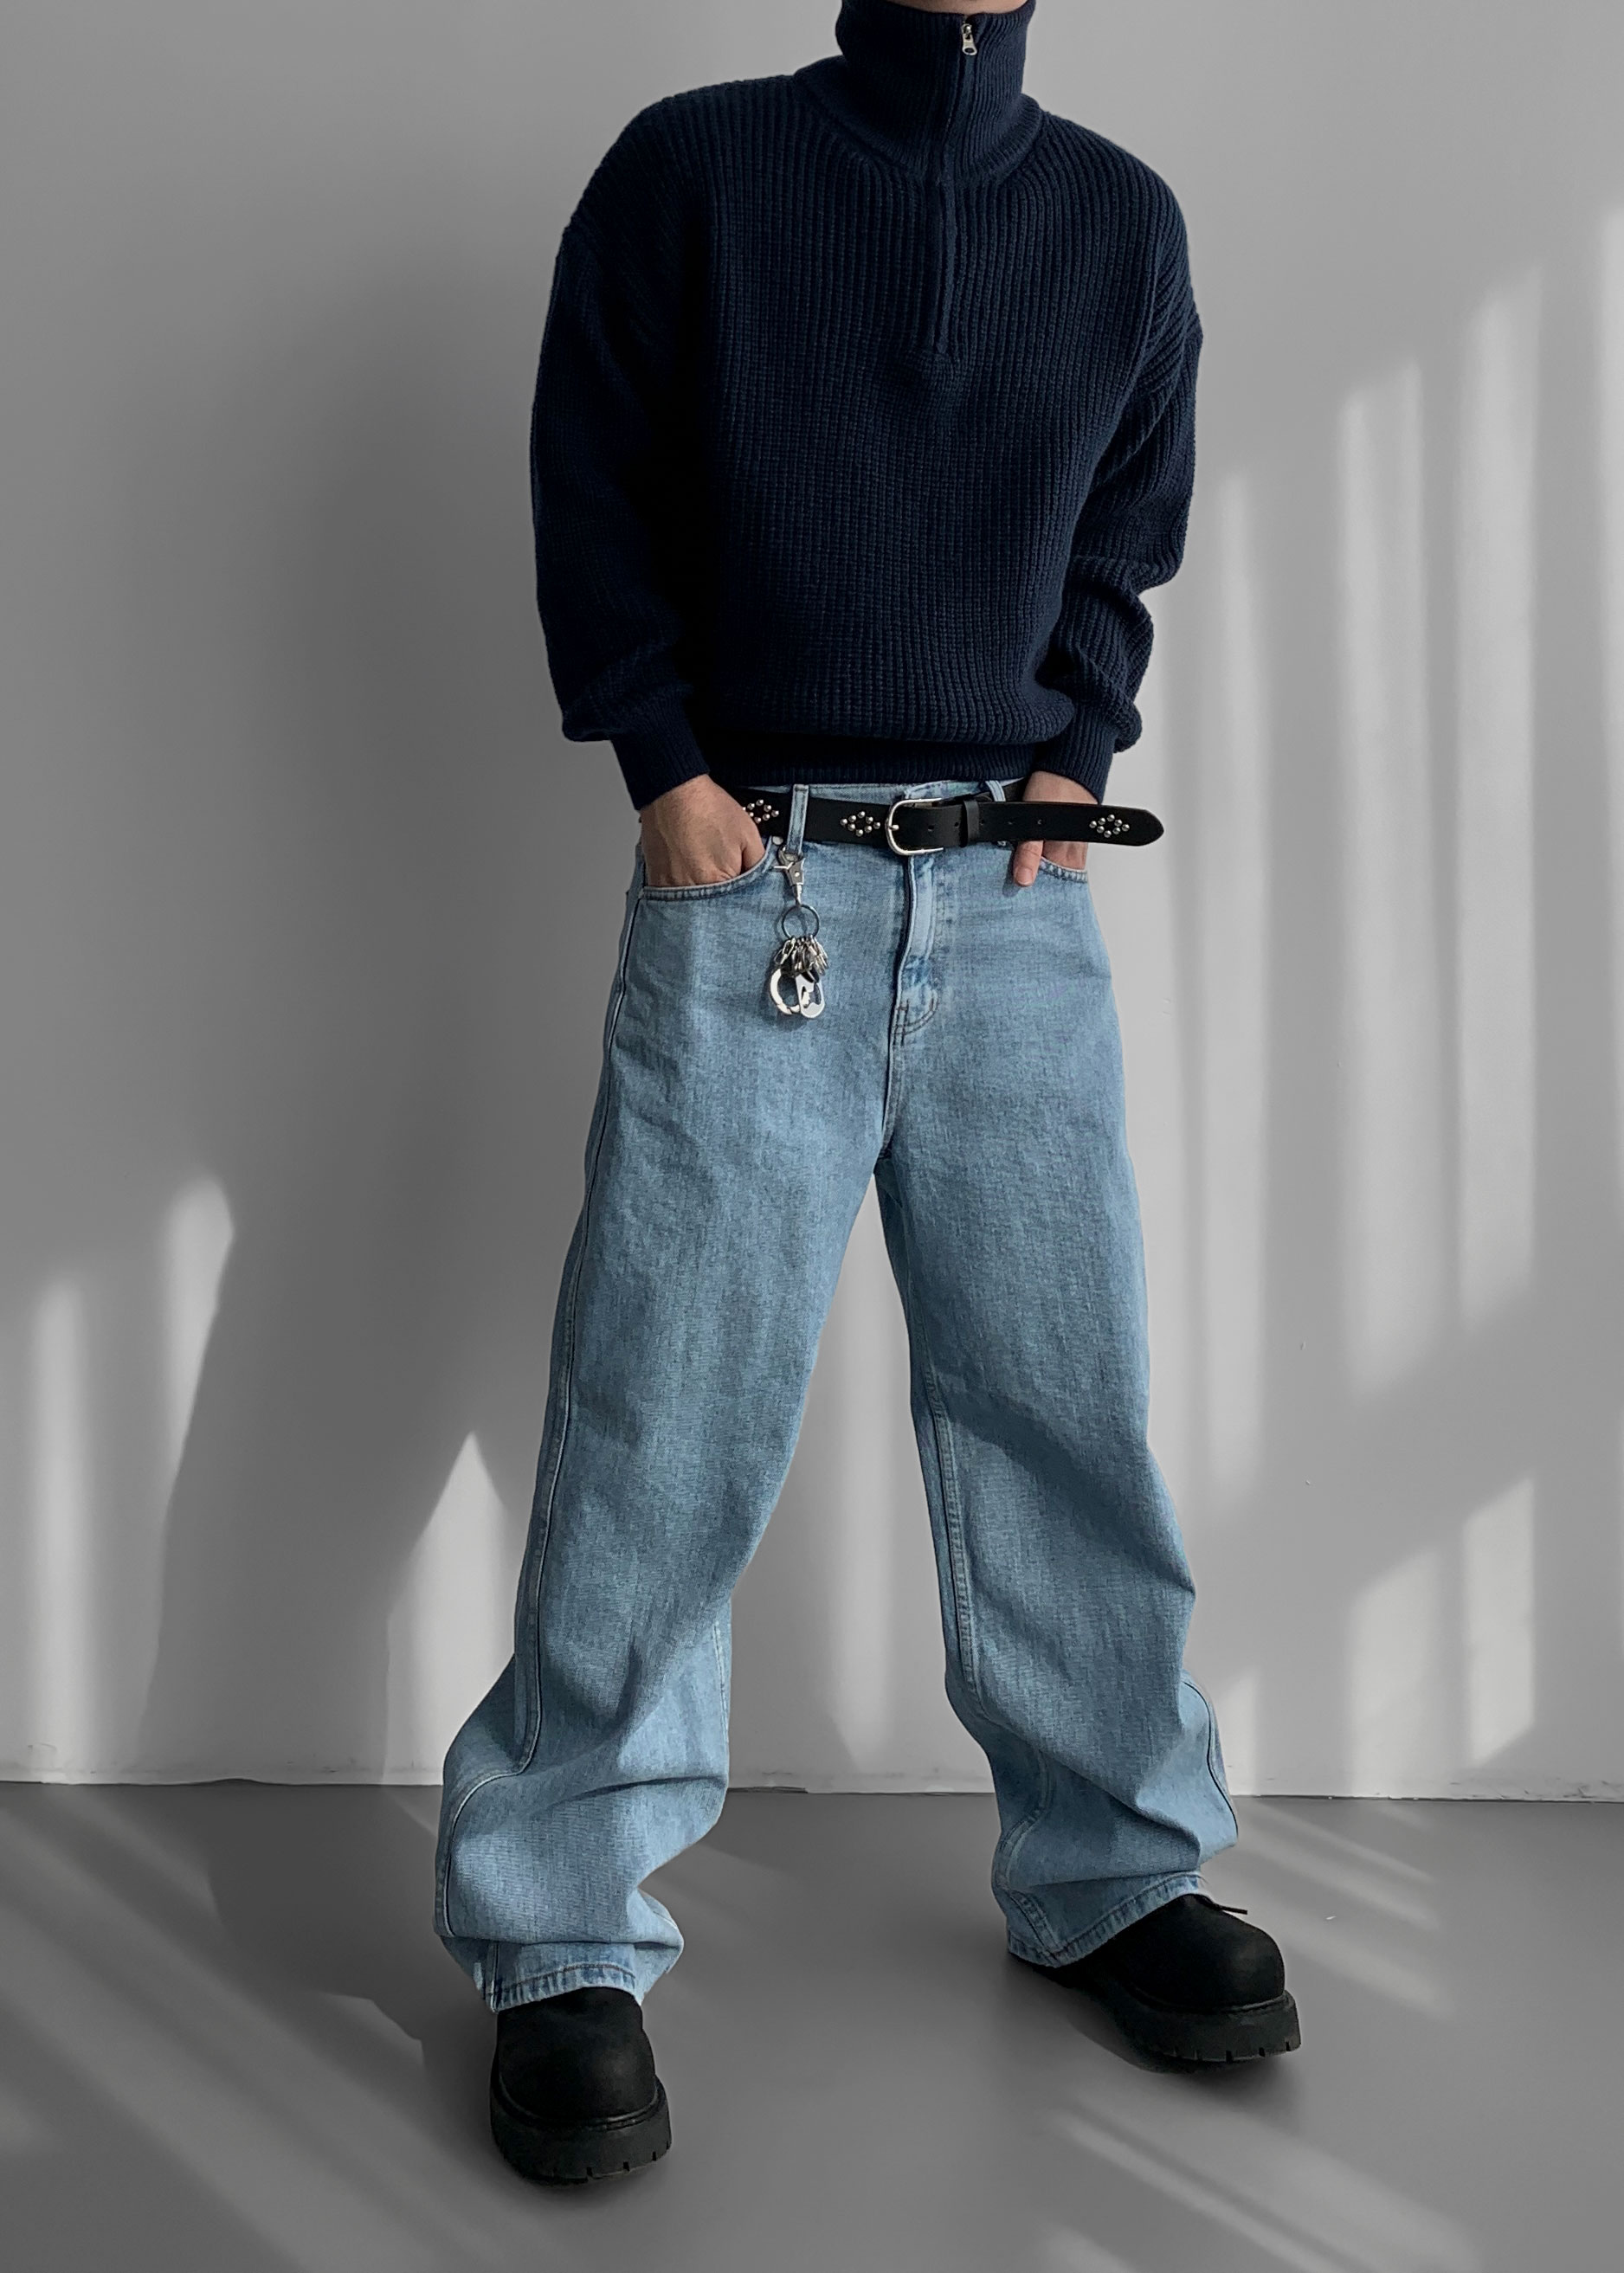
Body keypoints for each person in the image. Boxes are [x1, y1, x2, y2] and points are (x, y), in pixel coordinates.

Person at [435, 0, 1299, 2186]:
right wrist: (661, 762)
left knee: (1059, 1387)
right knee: (666, 1399)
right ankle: (559, 1924)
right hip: (750, 870)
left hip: (1013, 892)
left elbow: (1127, 519)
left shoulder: (1115, 220)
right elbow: (589, 465)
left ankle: (1112, 1860)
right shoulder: (694, 170)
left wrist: (1073, 743)